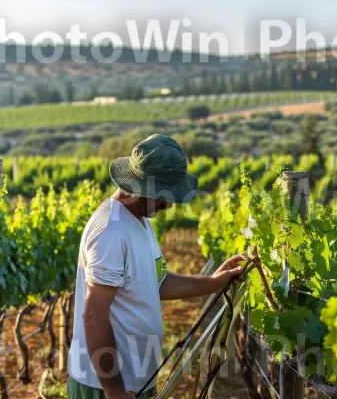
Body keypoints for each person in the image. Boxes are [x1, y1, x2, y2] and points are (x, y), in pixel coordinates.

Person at [67, 134, 245, 399]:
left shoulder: (139, 219)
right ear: (139, 187)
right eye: (164, 195)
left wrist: (215, 282)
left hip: (135, 381)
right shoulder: (111, 231)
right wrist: (114, 390)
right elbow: (93, 315)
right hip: (104, 386)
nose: (169, 204)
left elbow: (156, 282)